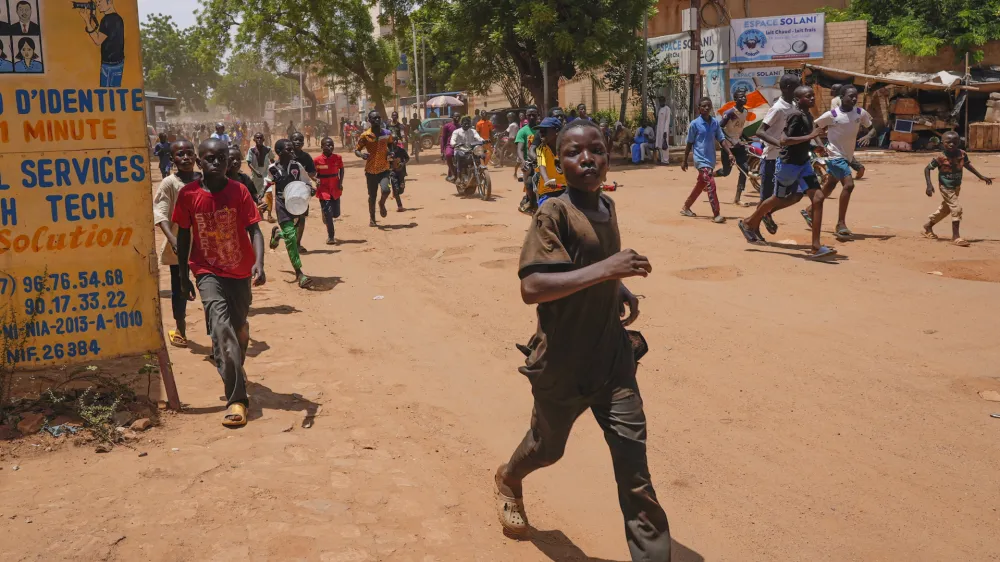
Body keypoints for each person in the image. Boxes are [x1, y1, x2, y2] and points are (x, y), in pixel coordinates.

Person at [494, 119, 671, 560]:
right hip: (562, 365)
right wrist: (610, 271)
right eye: (574, 152)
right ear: (559, 159)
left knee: (635, 473)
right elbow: (532, 287)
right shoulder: (552, 212)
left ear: (608, 154)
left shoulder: (606, 207)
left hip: (612, 360)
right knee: (546, 449)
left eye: (596, 149)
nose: (587, 159)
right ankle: (509, 479)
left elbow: (590, 263)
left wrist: (617, 288)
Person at [173, 139, 266, 427]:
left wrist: (259, 263)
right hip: (206, 270)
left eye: (222, 158)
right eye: (210, 158)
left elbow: (255, 230)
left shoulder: (238, 191)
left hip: (239, 272)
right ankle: (237, 399)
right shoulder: (188, 195)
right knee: (220, 327)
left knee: (237, 330)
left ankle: (235, 365)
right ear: (200, 162)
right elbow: (185, 237)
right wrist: (182, 275)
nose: (216, 163)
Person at [738, 86, 835, 259]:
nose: (812, 98)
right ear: (798, 100)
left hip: (803, 164)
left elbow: (801, 141)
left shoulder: (807, 115)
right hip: (788, 165)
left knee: (818, 198)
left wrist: (815, 146)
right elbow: (784, 140)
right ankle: (749, 222)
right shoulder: (795, 116)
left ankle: (816, 246)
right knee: (778, 198)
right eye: (808, 96)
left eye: (813, 95)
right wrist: (811, 136)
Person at [802, 85, 873, 238]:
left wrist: (869, 135)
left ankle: (809, 210)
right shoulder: (832, 114)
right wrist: (819, 145)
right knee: (849, 184)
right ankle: (841, 224)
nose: (854, 99)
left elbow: (872, 127)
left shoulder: (860, 113)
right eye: (850, 96)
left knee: (830, 184)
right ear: (841, 97)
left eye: (856, 96)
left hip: (847, 156)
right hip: (834, 155)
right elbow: (814, 126)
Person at [153, 140, 201, 348]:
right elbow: (160, 214)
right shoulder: (169, 184)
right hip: (179, 246)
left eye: (189, 153)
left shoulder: (204, 180)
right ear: (172, 159)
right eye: (180, 154)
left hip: (204, 245)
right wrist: (174, 242)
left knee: (210, 287)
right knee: (180, 287)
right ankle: (180, 328)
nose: (186, 158)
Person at [923, 131, 994, 247]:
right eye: (948, 142)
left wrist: (981, 176)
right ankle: (956, 237)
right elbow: (927, 169)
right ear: (942, 143)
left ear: (959, 142)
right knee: (956, 208)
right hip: (945, 186)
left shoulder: (962, 154)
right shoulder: (940, 157)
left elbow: (967, 165)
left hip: (956, 186)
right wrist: (929, 185)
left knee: (945, 210)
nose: (951, 144)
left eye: (954, 142)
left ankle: (928, 226)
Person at [754, 74, 801, 235]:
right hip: (771, 158)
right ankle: (753, 228)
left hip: (787, 159)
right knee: (766, 198)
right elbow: (760, 131)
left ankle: (766, 214)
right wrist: (779, 144)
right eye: (797, 86)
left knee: (795, 194)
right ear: (788, 88)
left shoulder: (795, 105)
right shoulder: (777, 108)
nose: (800, 89)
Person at [267, 139, 314, 288]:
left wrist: (310, 189)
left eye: (292, 149)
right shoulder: (273, 168)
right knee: (292, 237)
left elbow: (306, 181)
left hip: (296, 204)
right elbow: (267, 183)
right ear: (279, 152)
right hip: (282, 204)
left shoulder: (297, 166)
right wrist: (262, 195)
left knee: (290, 234)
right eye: (288, 149)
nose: (292, 152)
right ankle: (299, 273)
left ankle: (278, 235)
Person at [680, 97, 734, 223]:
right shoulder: (694, 124)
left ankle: (686, 207)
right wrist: (684, 160)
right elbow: (689, 143)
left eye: (708, 106)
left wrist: (730, 153)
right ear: (699, 109)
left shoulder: (715, 123)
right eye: (703, 106)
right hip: (700, 159)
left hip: (710, 159)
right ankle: (716, 214)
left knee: (701, 185)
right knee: (711, 184)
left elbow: (721, 139)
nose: (706, 108)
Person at [355, 110, 400, 226]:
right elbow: (357, 149)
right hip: (370, 170)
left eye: (379, 118)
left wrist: (391, 152)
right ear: (369, 120)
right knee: (372, 195)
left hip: (384, 168)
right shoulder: (365, 135)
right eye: (374, 118)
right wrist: (361, 155)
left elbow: (390, 145)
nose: (377, 120)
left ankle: (382, 203)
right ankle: (372, 219)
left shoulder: (386, 133)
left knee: (386, 190)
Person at [77, 0, 124, 87]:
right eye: (97, 3)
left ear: (109, 2)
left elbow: (98, 40)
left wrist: (87, 21)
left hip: (108, 65)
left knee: (105, 96)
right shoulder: (118, 18)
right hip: (119, 63)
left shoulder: (107, 20)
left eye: (100, 1)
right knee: (114, 95)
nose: (98, 5)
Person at [715, 87, 750, 203]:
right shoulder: (729, 113)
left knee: (744, 169)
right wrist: (727, 139)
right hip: (728, 147)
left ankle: (738, 198)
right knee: (726, 172)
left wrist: (746, 138)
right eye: (741, 97)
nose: (744, 98)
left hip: (738, 145)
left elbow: (739, 128)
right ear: (735, 99)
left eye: (744, 96)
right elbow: (719, 127)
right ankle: (710, 176)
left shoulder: (745, 112)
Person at [315, 137, 345, 245]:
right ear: (322, 146)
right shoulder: (317, 160)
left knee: (336, 214)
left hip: (335, 188)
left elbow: (341, 169)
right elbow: (313, 173)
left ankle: (326, 214)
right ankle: (331, 236)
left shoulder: (338, 158)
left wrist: (340, 182)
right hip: (323, 188)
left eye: (332, 145)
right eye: (327, 145)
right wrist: (315, 179)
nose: (330, 147)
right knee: (328, 213)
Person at [533, 117, 566, 205]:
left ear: (557, 131)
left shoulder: (567, 148)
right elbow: (541, 165)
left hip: (567, 190)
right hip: (547, 191)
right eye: (540, 130)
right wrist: (547, 180)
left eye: (544, 130)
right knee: (545, 214)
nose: (541, 133)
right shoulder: (540, 149)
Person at [515, 108, 541, 211]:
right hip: (529, 162)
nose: (531, 117)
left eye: (533, 115)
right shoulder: (522, 131)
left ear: (537, 115)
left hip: (543, 160)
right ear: (526, 116)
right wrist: (523, 161)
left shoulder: (542, 129)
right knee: (529, 183)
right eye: (529, 115)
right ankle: (531, 201)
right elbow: (520, 149)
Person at [246, 133, 274, 221]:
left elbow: (272, 160)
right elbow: (249, 163)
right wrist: (255, 171)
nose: (259, 139)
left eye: (261, 138)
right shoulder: (251, 150)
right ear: (254, 140)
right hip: (255, 176)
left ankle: (269, 214)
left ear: (263, 139)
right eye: (257, 138)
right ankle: (260, 213)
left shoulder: (268, 150)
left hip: (266, 175)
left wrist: (273, 171)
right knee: (257, 195)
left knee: (269, 194)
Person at [451, 115, 485, 180]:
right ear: (461, 124)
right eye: (465, 124)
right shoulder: (456, 132)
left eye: (468, 124)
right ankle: (459, 176)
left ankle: (480, 170)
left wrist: (483, 140)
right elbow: (452, 140)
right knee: (460, 156)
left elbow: (478, 137)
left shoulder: (473, 131)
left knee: (482, 154)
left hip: (471, 150)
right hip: (460, 150)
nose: (467, 125)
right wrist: (454, 144)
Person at [440, 113, 460, 182]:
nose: (457, 118)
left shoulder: (461, 127)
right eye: (455, 116)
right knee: (448, 155)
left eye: (458, 117)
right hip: (450, 146)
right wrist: (442, 151)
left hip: (460, 146)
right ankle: (453, 173)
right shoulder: (447, 126)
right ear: (453, 117)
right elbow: (443, 138)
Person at [655, 96, 672, 165]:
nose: (661, 102)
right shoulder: (660, 109)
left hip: (664, 131)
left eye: (662, 101)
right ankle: (662, 160)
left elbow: (667, 121)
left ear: (664, 101)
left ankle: (666, 160)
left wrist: (665, 131)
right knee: (660, 145)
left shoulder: (667, 109)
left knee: (665, 145)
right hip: (659, 130)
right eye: (660, 101)